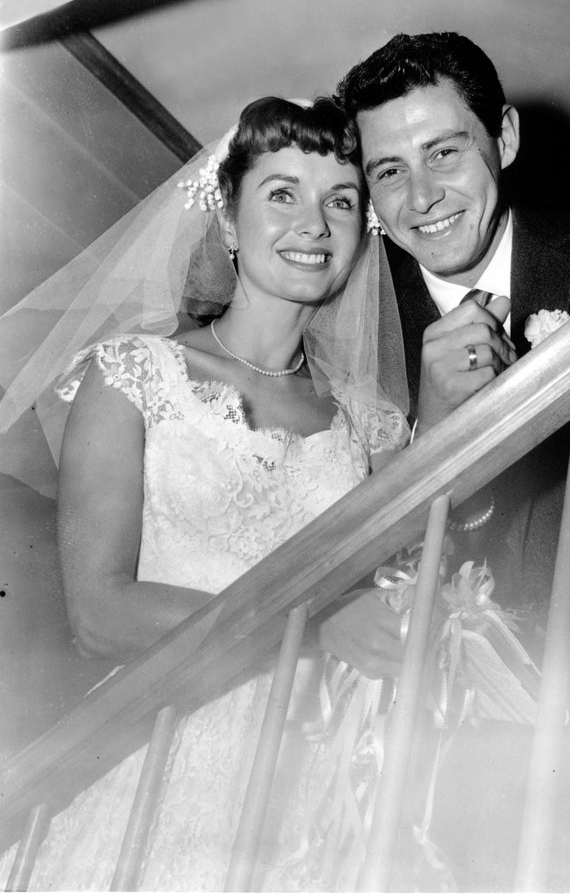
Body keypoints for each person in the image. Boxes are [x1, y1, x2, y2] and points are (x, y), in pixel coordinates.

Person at [0, 95, 412, 890]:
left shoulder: (373, 425)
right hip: (161, 752)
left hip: (311, 777)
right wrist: (317, 619)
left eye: (342, 201)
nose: (314, 223)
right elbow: (99, 612)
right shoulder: (133, 375)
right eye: (282, 192)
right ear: (228, 220)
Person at [330, 30, 570, 665]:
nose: (421, 197)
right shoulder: (350, 330)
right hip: (444, 713)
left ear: (503, 138)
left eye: (445, 153)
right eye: (390, 171)